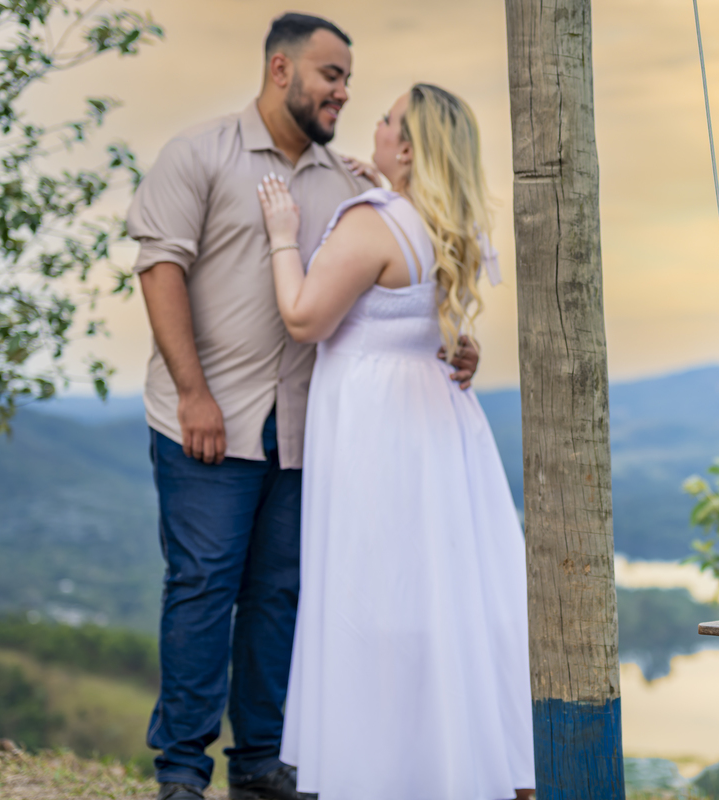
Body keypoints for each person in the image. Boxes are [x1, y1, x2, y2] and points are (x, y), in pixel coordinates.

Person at [128, 15, 481, 800]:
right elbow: (159, 270)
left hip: (304, 431)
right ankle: (182, 772)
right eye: (331, 76)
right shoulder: (198, 154)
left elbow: (400, 286)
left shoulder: (351, 185)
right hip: (205, 420)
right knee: (202, 588)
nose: (344, 93)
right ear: (282, 70)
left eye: (350, 80)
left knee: (279, 594)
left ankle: (259, 762)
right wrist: (193, 394)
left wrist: (453, 343)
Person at [256, 84, 534, 799]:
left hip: (377, 431)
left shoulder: (371, 225)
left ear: (407, 147)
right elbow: (422, 317)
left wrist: (284, 234)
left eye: (384, 121)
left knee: (376, 597)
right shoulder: (446, 222)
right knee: (443, 598)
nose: (373, 128)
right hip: (438, 429)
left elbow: (305, 318)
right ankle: (451, 759)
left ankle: (386, 766)